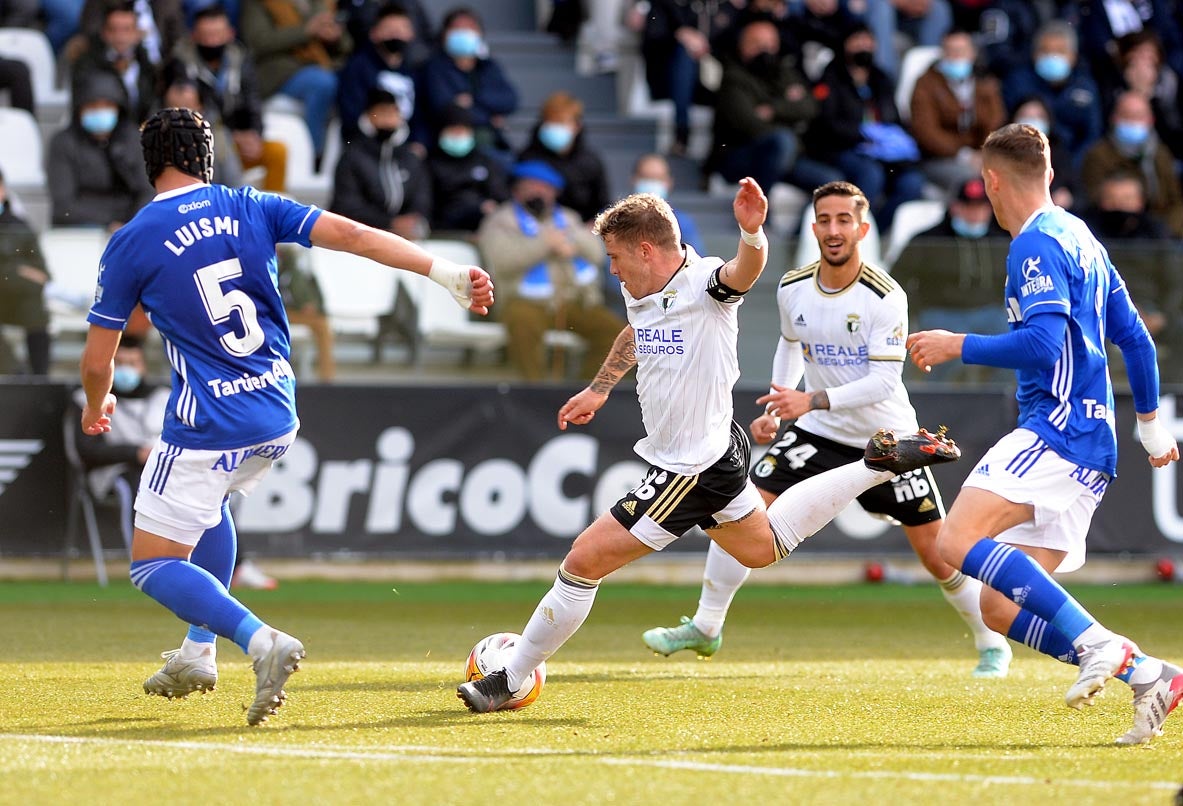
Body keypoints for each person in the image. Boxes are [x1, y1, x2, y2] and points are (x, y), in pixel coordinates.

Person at [456, 178, 961, 713]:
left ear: (646, 250)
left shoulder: (705, 283)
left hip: (689, 466)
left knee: (582, 561)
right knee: (761, 548)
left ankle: (509, 678)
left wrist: (752, 231)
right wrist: (600, 388)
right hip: (715, 454)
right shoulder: (641, 291)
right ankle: (874, 464)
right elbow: (634, 331)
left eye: (615, 256)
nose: (612, 269)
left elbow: (745, 272)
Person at [79, 106, 493, 725]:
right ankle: (198, 652)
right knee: (211, 509)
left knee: (152, 563)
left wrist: (96, 403)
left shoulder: (134, 237)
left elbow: (96, 360)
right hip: (276, 410)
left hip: (206, 422)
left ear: (150, 164)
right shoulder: (253, 204)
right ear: (206, 158)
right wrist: (445, 271)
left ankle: (260, 641)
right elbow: (355, 236)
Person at [641, 180, 1011, 677]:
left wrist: (807, 398)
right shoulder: (793, 285)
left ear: (861, 228)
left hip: (888, 441)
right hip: (818, 432)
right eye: (824, 220)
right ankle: (706, 628)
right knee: (741, 511)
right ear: (813, 227)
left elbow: (883, 380)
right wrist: (778, 401)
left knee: (938, 552)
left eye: (844, 221)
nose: (833, 230)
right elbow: (791, 343)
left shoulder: (885, 295)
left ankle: (992, 644)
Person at [906, 123, 1183, 745]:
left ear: (992, 182)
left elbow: (1042, 342)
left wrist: (958, 344)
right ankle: (1150, 676)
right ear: (1051, 175)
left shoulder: (1034, 246)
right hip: (1094, 445)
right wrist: (1147, 423)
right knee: (997, 607)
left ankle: (1100, 644)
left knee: (954, 541)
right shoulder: (1079, 235)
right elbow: (1135, 337)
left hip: (1056, 430)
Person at [476, 160, 621, 382]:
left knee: (618, 335)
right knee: (523, 328)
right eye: (532, 186)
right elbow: (502, 262)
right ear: (517, 189)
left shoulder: (568, 218)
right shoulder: (501, 221)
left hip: (573, 300)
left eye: (546, 188)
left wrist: (574, 243)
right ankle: (535, 393)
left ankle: (584, 391)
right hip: (523, 301)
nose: (539, 193)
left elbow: (597, 254)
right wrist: (545, 244)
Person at [804, 25, 925, 231]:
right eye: (856, 39)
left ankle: (876, 229)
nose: (863, 45)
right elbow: (825, 124)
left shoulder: (881, 78)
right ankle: (852, 229)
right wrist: (862, 135)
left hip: (881, 152)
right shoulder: (832, 77)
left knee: (912, 182)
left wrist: (896, 140)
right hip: (842, 148)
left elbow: (893, 117)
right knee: (870, 174)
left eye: (868, 39)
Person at [891, 176, 1010, 384]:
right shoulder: (927, 240)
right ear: (955, 207)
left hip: (989, 313)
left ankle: (1004, 405)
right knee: (943, 368)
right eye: (968, 207)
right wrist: (915, 309)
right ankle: (941, 407)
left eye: (981, 207)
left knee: (1012, 349)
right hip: (940, 313)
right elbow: (897, 278)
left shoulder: (1000, 240)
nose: (975, 214)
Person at [168, 3, 288, 192]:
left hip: (239, 140)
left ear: (230, 34)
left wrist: (254, 133)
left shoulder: (239, 58)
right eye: (206, 36)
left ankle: (273, 216)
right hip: (200, 145)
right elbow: (195, 108)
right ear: (194, 36)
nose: (212, 41)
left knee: (277, 152)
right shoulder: (181, 63)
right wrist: (233, 135)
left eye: (217, 35)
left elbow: (252, 100)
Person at [239, 0, 351, 164]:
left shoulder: (320, 3)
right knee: (322, 83)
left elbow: (346, 45)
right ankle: (314, 154)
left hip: (320, 64)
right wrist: (306, 31)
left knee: (352, 77)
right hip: (278, 72)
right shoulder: (258, 3)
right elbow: (257, 42)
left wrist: (334, 37)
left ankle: (349, 155)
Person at [48, 72, 155, 229]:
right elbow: (63, 204)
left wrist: (131, 224)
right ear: (79, 109)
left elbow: (148, 191)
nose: (100, 111)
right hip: (80, 229)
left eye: (107, 106)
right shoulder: (63, 143)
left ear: (119, 109)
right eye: (92, 106)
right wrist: (109, 223)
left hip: (132, 226)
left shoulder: (134, 139)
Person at [329, 87, 431, 241]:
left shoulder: (411, 158)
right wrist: (391, 223)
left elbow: (422, 200)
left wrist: (411, 221)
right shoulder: (352, 157)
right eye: (381, 112)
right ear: (368, 116)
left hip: (403, 239)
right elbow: (346, 206)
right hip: (356, 239)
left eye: (393, 112)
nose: (388, 119)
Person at [910, 29, 1006, 189]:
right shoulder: (926, 84)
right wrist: (964, 155)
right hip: (938, 159)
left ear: (973, 54)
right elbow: (926, 132)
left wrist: (984, 153)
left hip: (981, 156)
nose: (955, 57)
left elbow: (997, 122)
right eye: (950, 51)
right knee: (972, 179)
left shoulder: (985, 83)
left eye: (961, 51)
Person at [1001, 20, 1103, 170]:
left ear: (1073, 56)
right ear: (1035, 54)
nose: (1052, 57)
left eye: (1060, 51)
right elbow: (1005, 127)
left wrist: (1068, 167)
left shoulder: (1085, 87)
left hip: (1073, 164)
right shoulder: (1017, 83)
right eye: (1045, 51)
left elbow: (1092, 134)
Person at [1081, 91, 1183, 237]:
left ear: (1150, 120)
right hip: (1111, 234)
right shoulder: (1098, 155)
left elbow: (1176, 201)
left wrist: (1164, 232)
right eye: (1127, 116)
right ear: (1115, 119)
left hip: (1158, 235)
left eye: (1139, 116)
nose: (1133, 121)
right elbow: (1092, 200)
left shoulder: (1161, 155)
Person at [417, 7, 517, 156]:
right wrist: (489, 117)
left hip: (490, 142)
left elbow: (510, 100)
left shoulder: (488, 66)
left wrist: (474, 99)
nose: (463, 33)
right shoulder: (434, 68)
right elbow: (444, 107)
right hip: (447, 144)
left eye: (469, 28)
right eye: (457, 28)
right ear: (444, 34)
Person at [517, 90, 610, 224]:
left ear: (577, 126)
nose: (555, 128)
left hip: (580, 230)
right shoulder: (528, 158)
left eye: (561, 122)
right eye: (550, 122)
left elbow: (603, 204)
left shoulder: (590, 162)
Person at [336, 0, 419, 143]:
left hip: (403, 150)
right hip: (364, 145)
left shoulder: (414, 71)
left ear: (411, 33)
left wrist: (417, 143)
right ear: (374, 33)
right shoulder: (358, 67)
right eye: (390, 30)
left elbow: (420, 118)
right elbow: (351, 114)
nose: (396, 36)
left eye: (401, 30)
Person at [70, 0, 159, 124]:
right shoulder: (87, 66)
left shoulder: (147, 67)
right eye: (114, 30)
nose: (120, 37)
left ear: (138, 34)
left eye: (126, 30)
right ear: (104, 33)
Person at [0, 170, 52, 376]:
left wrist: (7, 271)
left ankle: (40, 379)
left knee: (36, 313)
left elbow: (41, 275)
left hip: (15, 296)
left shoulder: (19, 227)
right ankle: (14, 371)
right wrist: (18, 269)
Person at [427, 103, 509, 234]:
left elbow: (500, 196)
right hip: (443, 232)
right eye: (454, 130)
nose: (459, 135)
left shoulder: (484, 161)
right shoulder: (430, 163)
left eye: (463, 130)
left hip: (483, 230)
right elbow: (428, 205)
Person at [631, 152, 703, 255]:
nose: (652, 183)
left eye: (658, 178)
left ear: (669, 182)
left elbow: (696, 263)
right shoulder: (615, 221)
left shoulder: (682, 223)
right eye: (646, 177)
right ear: (634, 180)